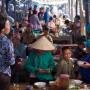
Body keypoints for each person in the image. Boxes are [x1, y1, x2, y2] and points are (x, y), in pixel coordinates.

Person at [0, 13, 15, 90]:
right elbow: (10, 61)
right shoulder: (7, 42)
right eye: (8, 24)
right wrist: (12, 57)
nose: (10, 27)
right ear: (3, 29)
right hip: (3, 75)